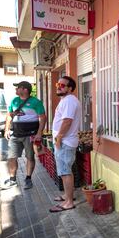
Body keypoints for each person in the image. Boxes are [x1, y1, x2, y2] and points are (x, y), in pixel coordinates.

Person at [3, 81, 46, 189]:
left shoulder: (36, 102)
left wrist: (39, 133)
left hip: (30, 135)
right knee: (12, 157)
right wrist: (7, 129)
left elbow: (42, 117)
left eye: (18, 88)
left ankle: (28, 178)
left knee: (30, 157)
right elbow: (9, 115)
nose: (16, 90)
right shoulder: (14, 101)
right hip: (15, 134)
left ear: (25, 90)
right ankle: (12, 179)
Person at [49, 76, 81, 213]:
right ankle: (68, 196)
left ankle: (68, 202)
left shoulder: (69, 101)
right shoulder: (67, 100)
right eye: (58, 84)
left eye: (62, 85)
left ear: (69, 88)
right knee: (65, 170)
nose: (58, 86)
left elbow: (67, 121)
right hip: (65, 141)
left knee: (65, 172)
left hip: (65, 142)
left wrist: (59, 137)